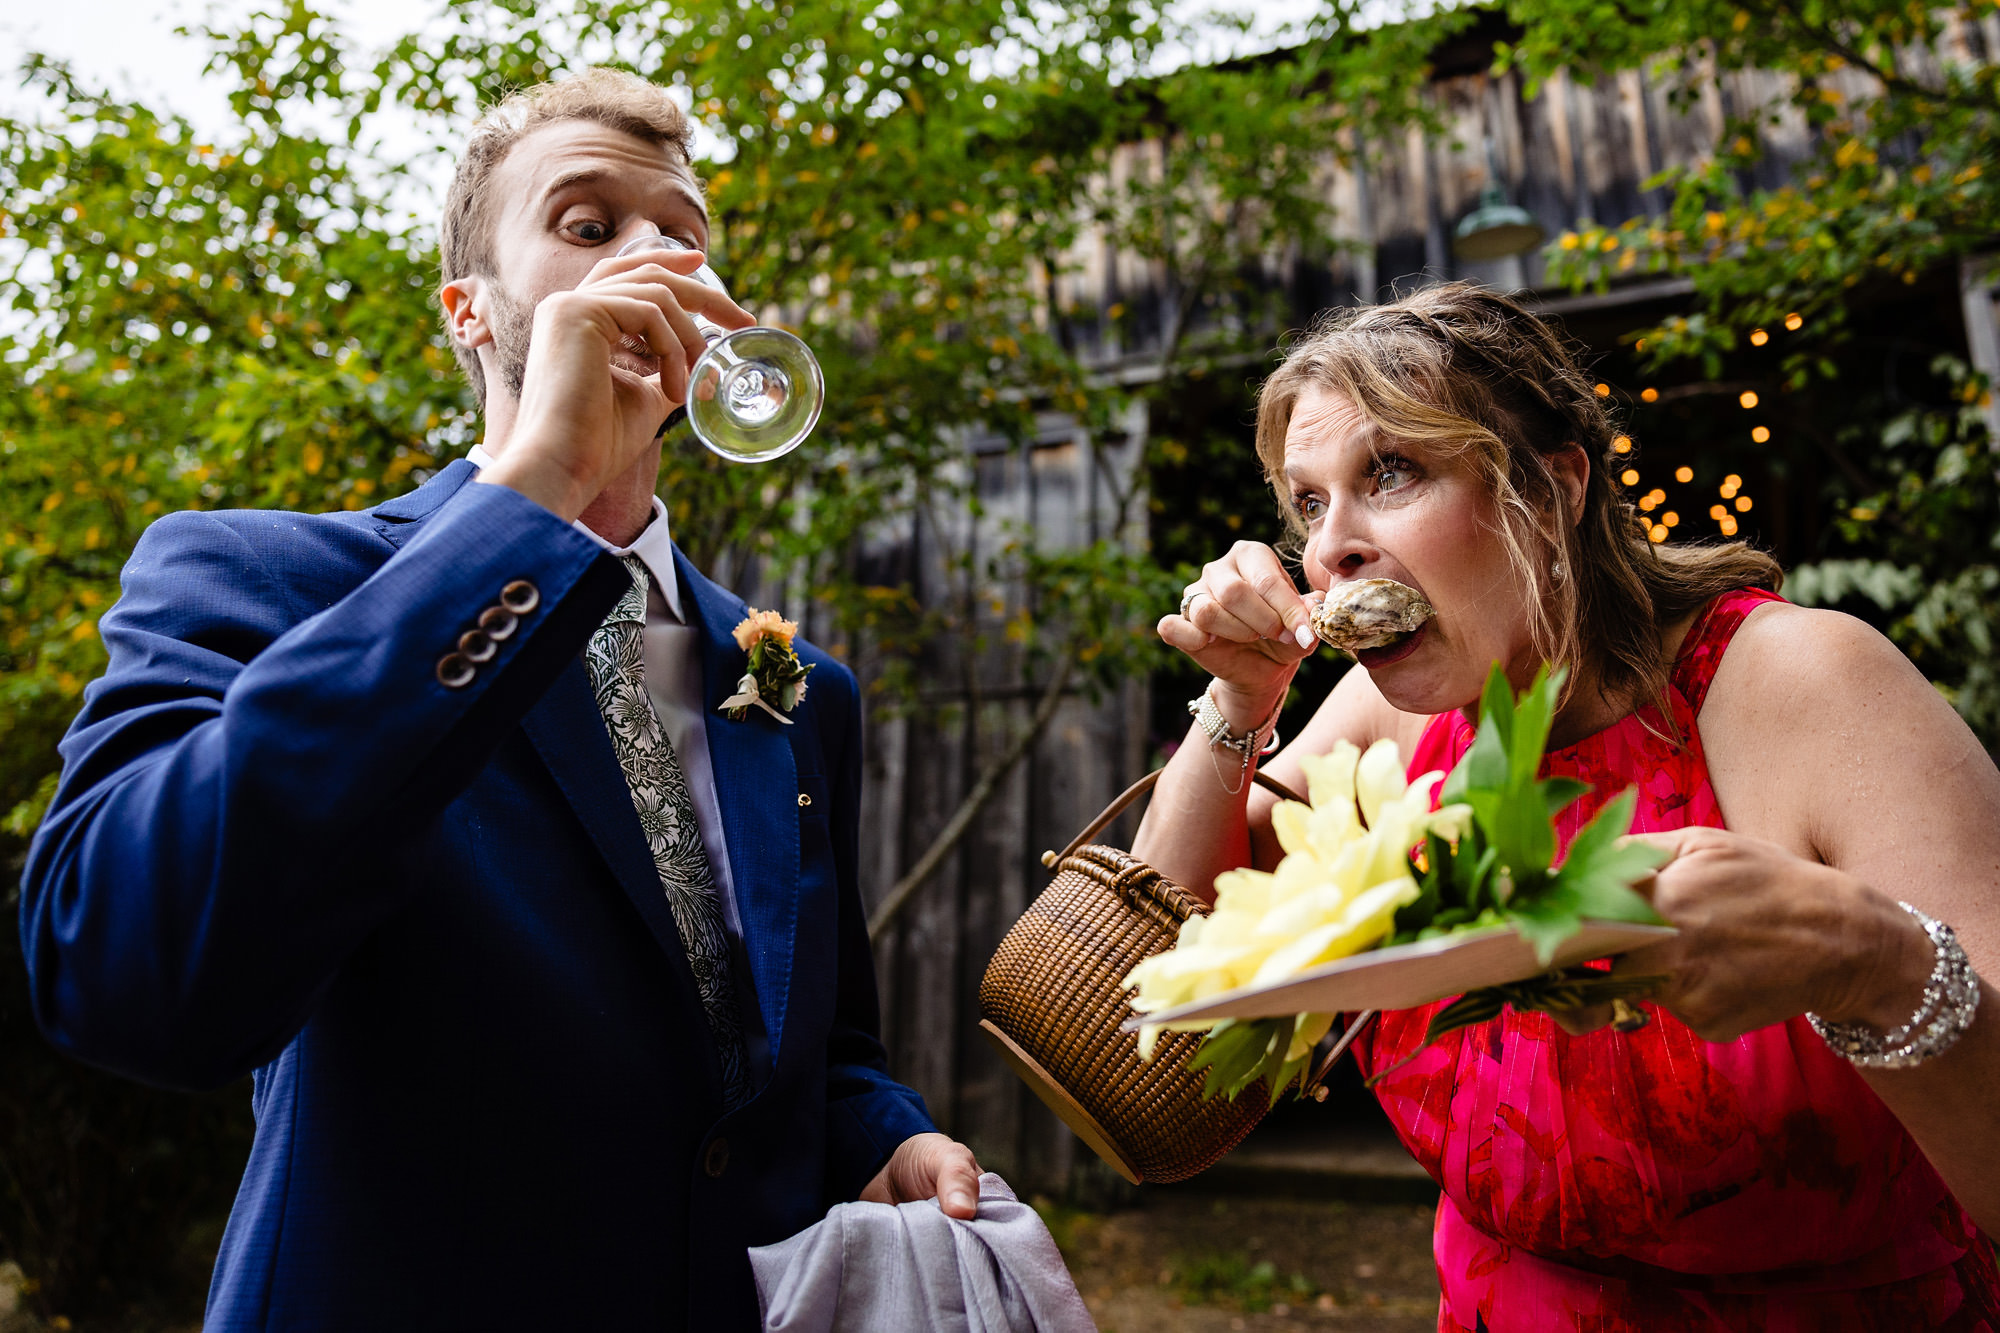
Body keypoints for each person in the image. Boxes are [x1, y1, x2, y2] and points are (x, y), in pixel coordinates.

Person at [18, 68, 980, 1330]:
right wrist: (526, 501)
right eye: (589, 226)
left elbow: (808, 1046)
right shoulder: (263, 578)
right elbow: (121, 967)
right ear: (471, 313)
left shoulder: (796, 690)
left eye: (681, 232)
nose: (655, 254)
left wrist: (881, 1134)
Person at [1132, 283, 2000, 1328]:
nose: (1327, 549)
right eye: (1309, 503)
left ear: (1553, 486)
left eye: (1391, 470)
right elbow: (1152, 969)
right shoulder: (1390, 714)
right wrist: (1237, 697)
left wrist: (1869, 960)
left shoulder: (1801, 684)